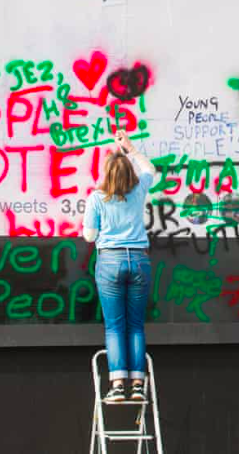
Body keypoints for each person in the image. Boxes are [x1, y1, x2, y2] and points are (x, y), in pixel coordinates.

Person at [83, 131, 156, 403]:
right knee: (135, 325)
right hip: (138, 260)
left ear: (107, 174)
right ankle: (137, 385)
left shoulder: (96, 198)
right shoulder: (138, 191)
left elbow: (89, 236)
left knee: (115, 327)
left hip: (110, 262)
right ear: (129, 173)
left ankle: (117, 386)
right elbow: (150, 170)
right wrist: (130, 149)